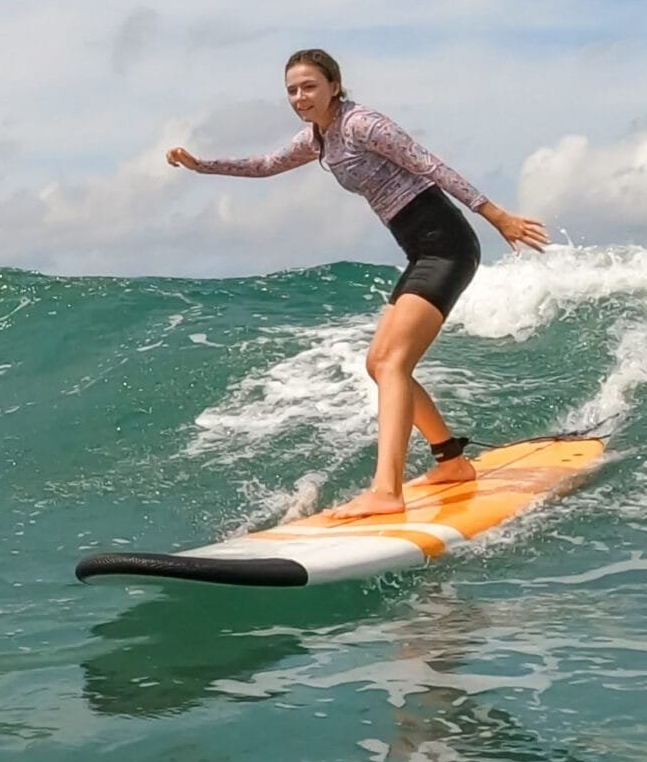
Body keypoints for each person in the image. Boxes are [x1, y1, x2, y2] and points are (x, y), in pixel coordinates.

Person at [167, 49, 549, 518]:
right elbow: (266, 164)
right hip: (421, 251)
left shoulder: (363, 125)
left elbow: (431, 166)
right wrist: (200, 164)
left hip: (446, 245)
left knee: (390, 363)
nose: (300, 97)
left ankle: (386, 491)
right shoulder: (320, 139)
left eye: (309, 86)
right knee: (380, 364)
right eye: (292, 89)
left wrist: (497, 215)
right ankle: (451, 461)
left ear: (334, 85)